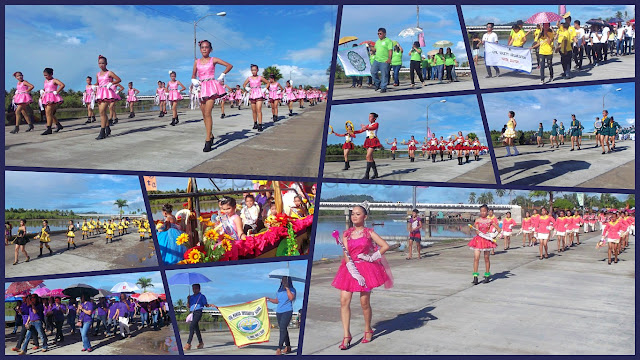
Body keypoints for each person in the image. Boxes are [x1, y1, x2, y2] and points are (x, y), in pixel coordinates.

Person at [331, 204, 392, 350]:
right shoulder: (346, 234)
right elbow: (346, 254)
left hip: (366, 269)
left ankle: (368, 329)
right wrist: (353, 271)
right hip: (349, 269)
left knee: (364, 302)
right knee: (344, 301)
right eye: (352, 214)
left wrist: (372, 257)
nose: (354, 216)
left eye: (358, 214)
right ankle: (346, 335)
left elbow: (385, 246)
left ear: (365, 217)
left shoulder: (369, 232)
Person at [191, 39, 233, 152]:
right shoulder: (197, 62)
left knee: (208, 112)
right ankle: (211, 134)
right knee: (204, 114)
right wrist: (193, 81)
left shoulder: (213, 59)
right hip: (201, 88)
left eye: (206, 47)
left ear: (210, 49)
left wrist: (222, 75)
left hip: (210, 87)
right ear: (200, 49)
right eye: (202, 47)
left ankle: (207, 140)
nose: (204, 49)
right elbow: (193, 75)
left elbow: (229, 65)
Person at [468, 204, 498, 284]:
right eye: (481, 211)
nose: (483, 213)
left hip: (486, 241)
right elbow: (477, 231)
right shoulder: (477, 220)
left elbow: (499, 229)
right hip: (478, 240)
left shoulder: (490, 221)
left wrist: (493, 235)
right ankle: (475, 277)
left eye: (484, 211)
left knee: (486, 258)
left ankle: (487, 276)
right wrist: (480, 233)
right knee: (476, 258)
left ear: (487, 212)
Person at [267, 276, 297, 355]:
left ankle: (279, 348)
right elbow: (277, 301)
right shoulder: (279, 290)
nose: (283, 281)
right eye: (283, 280)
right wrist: (269, 299)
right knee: (283, 329)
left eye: (285, 280)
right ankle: (288, 347)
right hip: (279, 311)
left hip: (287, 311)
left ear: (288, 281)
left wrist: (287, 288)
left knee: (282, 329)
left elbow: (291, 298)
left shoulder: (292, 289)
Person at [94, 55, 121, 139]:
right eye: (99, 63)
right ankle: (107, 127)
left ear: (106, 63)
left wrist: (111, 83)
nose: (101, 65)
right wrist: (93, 86)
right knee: (102, 112)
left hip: (107, 92)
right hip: (99, 93)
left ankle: (102, 132)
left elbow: (118, 79)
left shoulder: (109, 72)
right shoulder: (98, 74)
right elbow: (98, 83)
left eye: (103, 63)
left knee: (102, 111)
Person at [184, 284, 216, 350]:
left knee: (192, 326)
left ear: (199, 289)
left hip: (198, 312)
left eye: (196, 289)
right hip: (192, 313)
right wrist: (188, 300)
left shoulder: (202, 296)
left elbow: (206, 304)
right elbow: (188, 306)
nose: (194, 290)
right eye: (193, 289)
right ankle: (201, 343)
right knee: (196, 328)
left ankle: (188, 344)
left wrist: (210, 305)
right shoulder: (191, 297)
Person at [353, 113, 382, 179]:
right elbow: (360, 131)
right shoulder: (367, 125)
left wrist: (365, 127)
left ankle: (367, 175)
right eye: (368, 116)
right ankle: (375, 174)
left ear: (374, 118)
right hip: (368, 140)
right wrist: (352, 132)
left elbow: (373, 128)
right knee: (370, 158)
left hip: (373, 140)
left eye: (371, 117)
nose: (369, 118)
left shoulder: (376, 124)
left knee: (368, 156)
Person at [243, 64, 269, 132]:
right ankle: (255, 123)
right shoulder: (249, 78)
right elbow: (244, 84)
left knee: (258, 109)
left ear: (257, 70)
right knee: (254, 110)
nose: (253, 71)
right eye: (252, 70)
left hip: (259, 93)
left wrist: (264, 89)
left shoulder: (260, 77)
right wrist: (247, 88)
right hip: (252, 93)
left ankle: (260, 124)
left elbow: (268, 83)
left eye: (255, 70)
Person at [40, 67, 65, 135]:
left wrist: (57, 91)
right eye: (44, 75)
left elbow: (62, 85)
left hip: (52, 97)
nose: (45, 77)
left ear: (51, 74)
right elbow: (46, 88)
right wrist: (43, 92)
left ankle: (49, 128)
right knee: (48, 113)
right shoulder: (45, 81)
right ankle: (58, 125)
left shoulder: (54, 80)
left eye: (46, 75)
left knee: (48, 113)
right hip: (46, 96)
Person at [370, 28, 393, 93]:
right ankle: (377, 83)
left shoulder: (388, 41)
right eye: (378, 34)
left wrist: (389, 58)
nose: (379, 35)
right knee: (373, 72)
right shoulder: (377, 42)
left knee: (384, 75)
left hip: (384, 61)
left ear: (384, 34)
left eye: (380, 33)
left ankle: (383, 87)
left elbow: (390, 50)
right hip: (377, 60)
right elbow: (374, 49)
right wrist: (370, 46)